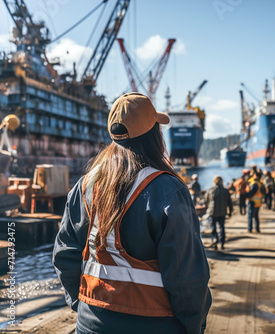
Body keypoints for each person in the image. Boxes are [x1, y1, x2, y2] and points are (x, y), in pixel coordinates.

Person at [52, 93, 211, 334]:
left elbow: (64, 255)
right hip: (156, 326)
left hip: (90, 323)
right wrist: (194, 326)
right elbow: (186, 278)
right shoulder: (169, 191)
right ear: (154, 135)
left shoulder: (84, 186)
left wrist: (82, 305)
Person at [205, 175, 233, 250]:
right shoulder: (225, 191)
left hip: (212, 212)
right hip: (222, 212)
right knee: (222, 227)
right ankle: (222, 243)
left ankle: (215, 241)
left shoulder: (210, 190)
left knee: (213, 228)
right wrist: (230, 212)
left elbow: (206, 200)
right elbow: (229, 203)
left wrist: (208, 209)